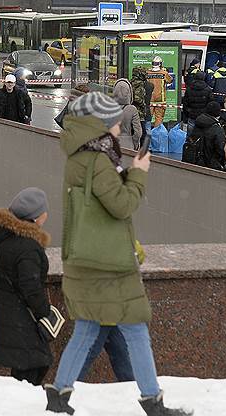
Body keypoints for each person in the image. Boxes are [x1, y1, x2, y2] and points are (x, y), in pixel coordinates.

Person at [50, 91, 189, 416]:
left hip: (86, 258)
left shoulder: (81, 155)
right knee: (136, 328)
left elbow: (101, 196)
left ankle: (58, 395)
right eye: (114, 122)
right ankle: (152, 401)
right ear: (100, 124)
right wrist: (139, 172)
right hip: (108, 263)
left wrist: (124, 175)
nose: (118, 127)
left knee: (86, 328)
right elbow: (122, 205)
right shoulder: (98, 159)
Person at [0, 188, 53, 386]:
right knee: (34, 366)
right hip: (21, 317)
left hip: (6, 311)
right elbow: (31, 286)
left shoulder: (5, 236)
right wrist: (45, 313)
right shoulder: (28, 246)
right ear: (37, 216)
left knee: (25, 368)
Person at [183, 102, 226, 171]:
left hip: (194, 160)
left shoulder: (198, 123)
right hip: (210, 164)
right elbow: (221, 148)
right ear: (218, 113)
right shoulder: (216, 128)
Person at [112, 78, 142, 150]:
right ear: (129, 93)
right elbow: (138, 132)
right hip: (128, 144)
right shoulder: (132, 109)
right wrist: (135, 144)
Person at [144, 57, 172, 126]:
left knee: (147, 119)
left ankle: (147, 134)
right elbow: (170, 80)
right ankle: (157, 134)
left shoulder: (147, 73)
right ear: (160, 64)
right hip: (160, 100)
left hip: (149, 100)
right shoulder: (164, 73)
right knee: (159, 118)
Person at [130, 66, 153, 136]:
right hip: (144, 113)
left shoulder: (128, 84)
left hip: (131, 114)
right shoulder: (149, 85)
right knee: (146, 134)